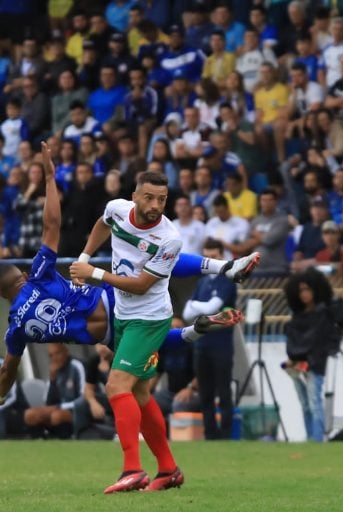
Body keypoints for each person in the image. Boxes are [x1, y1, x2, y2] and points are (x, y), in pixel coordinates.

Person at [0, 145, 256, 408]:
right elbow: (52, 225)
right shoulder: (38, 274)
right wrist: (50, 179)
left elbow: (8, 370)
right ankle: (217, 282)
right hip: (112, 301)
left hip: (104, 334)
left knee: (138, 371)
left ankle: (196, 327)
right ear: (23, 275)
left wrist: (1, 394)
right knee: (141, 388)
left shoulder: (15, 329)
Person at [67, 170, 251, 493]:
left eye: (162, 200)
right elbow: (102, 223)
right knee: (139, 393)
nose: (155, 205)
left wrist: (93, 271)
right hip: (123, 315)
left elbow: (141, 285)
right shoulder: (117, 209)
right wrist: (84, 255)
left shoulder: (169, 238)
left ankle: (132, 469)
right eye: (149, 198)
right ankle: (169, 470)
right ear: (135, 196)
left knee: (116, 385)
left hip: (149, 318)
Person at [182, 239, 238, 440]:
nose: (210, 260)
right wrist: (200, 307)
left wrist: (196, 305)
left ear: (222, 256)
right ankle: (210, 434)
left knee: (223, 391)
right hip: (202, 343)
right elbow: (187, 313)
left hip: (221, 344)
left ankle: (226, 434)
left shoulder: (227, 280)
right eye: (207, 257)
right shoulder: (202, 281)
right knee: (205, 392)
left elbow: (212, 308)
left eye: (214, 256)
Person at [283, 269, 343, 442]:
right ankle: (310, 436)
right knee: (305, 403)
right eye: (301, 290)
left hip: (315, 363)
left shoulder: (323, 314)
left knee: (314, 402)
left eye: (307, 289)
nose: (304, 294)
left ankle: (317, 438)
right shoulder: (298, 316)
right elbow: (293, 339)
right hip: (296, 364)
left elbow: (321, 340)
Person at [24, 343, 85, 439]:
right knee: (30, 415)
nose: (54, 358)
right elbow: (48, 402)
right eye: (51, 356)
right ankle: (41, 445)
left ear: (66, 352)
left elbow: (85, 398)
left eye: (57, 353)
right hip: (58, 409)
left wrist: (60, 406)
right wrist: (52, 380)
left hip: (78, 410)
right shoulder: (55, 370)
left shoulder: (77, 366)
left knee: (57, 416)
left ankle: (67, 444)